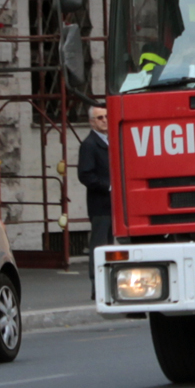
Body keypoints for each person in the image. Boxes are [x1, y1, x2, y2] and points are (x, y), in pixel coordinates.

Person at [78, 104, 112, 300]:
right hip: (100, 205)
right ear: (92, 122)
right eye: (100, 118)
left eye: (106, 116)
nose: (105, 120)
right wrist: (108, 186)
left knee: (110, 246)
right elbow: (85, 175)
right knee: (99, 247)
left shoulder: (110, 141)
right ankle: (97, 286)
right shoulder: (90, 144)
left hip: (113, 205)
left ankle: (109, 285)